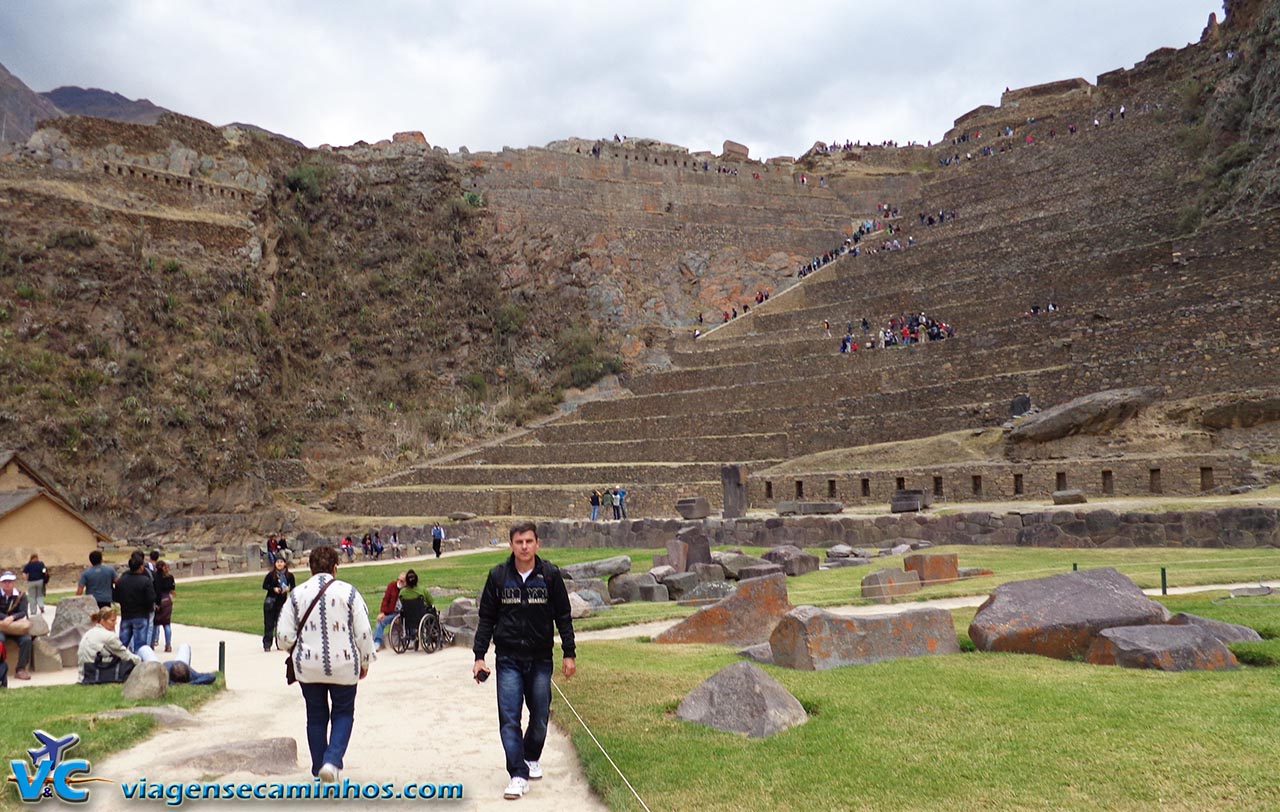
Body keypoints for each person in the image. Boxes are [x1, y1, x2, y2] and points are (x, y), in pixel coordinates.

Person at [472, 522, 577, 801]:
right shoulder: (497, 576)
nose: (524, 547)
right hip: (508, 657)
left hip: (541, 657)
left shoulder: (550, 576)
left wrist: (569, 653)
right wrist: (479, 656)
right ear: (511, 545)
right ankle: (517, 774)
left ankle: (531, 756)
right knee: (509, 718)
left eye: (529, 541)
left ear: (537, 543)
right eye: (519, 542)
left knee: (540, 716)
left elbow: (563, 617)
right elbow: (486, 619)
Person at [277, 546, 373, 785]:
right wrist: (365, 660)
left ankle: (319, 767)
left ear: (310, 568)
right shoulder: (349, 593)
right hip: (343, 664)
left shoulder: (297, 595)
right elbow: (363, 632)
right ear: (335, 567)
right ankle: (331, 761)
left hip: (308, 667)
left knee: (316, 716)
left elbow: (282, 637)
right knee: (343, 713)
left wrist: (297, 648)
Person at [77, 607, 140, 684]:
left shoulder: (89, 632)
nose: (115, 623)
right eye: (112, 620)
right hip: (95, 671)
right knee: (139, 654)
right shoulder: (109, 636)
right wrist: (141, 662)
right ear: (102, 621)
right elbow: (125, 655)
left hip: (83, 674)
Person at [113, 552, 156, 655]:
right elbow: (151, 598)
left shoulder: (121, 581)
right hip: (141, 615)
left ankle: (118, 663)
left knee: (122, 645)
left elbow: (115, 597)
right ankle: (138, 664)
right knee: (140, 645)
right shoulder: (145, 581)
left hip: (126, 614)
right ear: (141, 567)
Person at [0, 572, 33, 680]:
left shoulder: (21, 596)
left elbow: (23, 612)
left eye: (9, 581)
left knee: (26, 640)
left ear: (13, 582)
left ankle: (20, 669)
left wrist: (12, 618)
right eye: (5, 581)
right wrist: (5, 618)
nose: (7, 584)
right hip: (1, 627)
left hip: (16, 628)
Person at [262, 556, 296, 652]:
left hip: (282, 602)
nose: (279, 564)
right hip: (271, 602)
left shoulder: (289, 575)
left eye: (281, 562)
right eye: (278, 562)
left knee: (280, 623)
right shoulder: (271, 575)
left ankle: (279, 644)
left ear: (285, 563)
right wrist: (273, 589)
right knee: (269, 624)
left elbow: (293, 587)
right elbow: (264, 585)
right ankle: (267, 644)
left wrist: (288, 589)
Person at [138, 643, 216, 685]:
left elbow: (212, 676)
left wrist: (190, 684)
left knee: (185, 646)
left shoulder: (191, 673)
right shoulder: (165, 676)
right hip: (161, 668)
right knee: (144, 649)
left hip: (177, 663)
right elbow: (210, 677)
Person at [372, 572, 406, 651]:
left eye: (402, 581)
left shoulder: (407, 590)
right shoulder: (392, 586)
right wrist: (382, 612)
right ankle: (377, 642)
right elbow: (385, 600)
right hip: (391, 612)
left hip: (402, 614)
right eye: (398, 579)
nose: (399, 582)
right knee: (381, 621)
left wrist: (400, 615)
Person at [151, 561, 176, 652]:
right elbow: (173, 590)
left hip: (158, 599)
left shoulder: (155, 577)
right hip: (167, 600)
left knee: (154, 624)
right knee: (167, 624)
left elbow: (155, 590)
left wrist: (156, 603)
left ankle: (152, 643)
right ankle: (168, 645)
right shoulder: (170, 577)